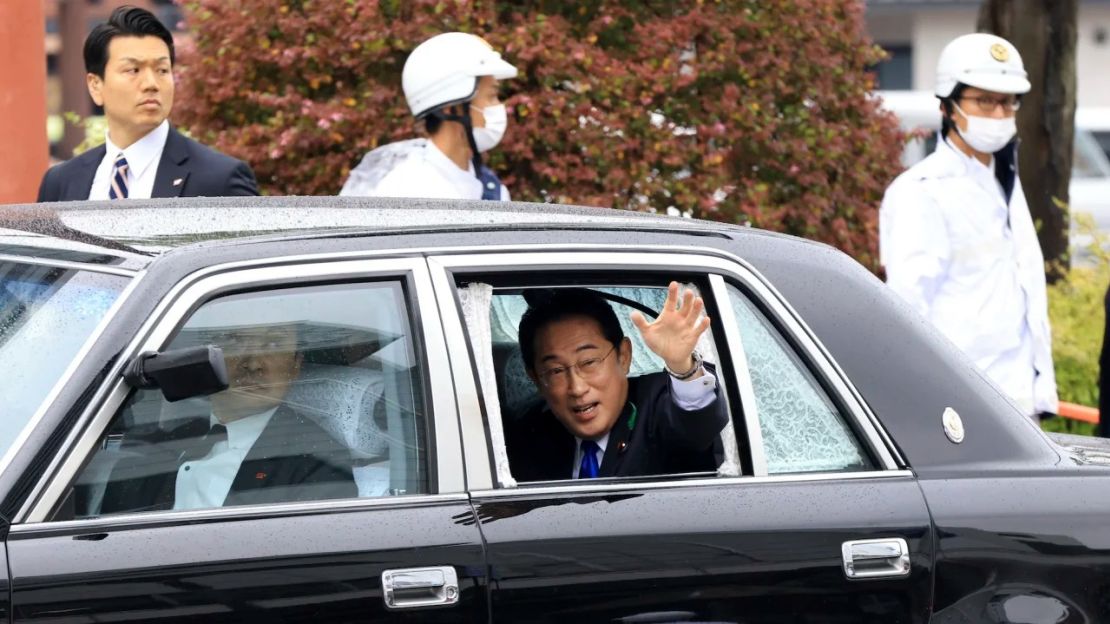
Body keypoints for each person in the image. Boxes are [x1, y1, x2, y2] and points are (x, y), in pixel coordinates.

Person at [880, 33, 1057, 419]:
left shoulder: (1004, 182)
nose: (998, 115)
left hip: (1019, 402)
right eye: (984, 101)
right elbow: (909, 310)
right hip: (962, 409)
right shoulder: (920, 192)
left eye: (1007, 103)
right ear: (948, 105)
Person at [99, 322, 356, 514]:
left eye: (273, 345)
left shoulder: (317, 463)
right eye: (235, 340)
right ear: (204, 357)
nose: (254, 363)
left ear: (296, 364)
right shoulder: (155, 443)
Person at [505, 284, 728, 482]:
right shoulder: (529, 436)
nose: (577, 388)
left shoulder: (658, 404)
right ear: (535, 378)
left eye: (589, 362)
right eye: (555, 371)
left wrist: (682, 366)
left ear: (624, 356)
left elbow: (696, 426)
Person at [37, 6, 258, 202]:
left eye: (162, 70)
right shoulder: (60, 183)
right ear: (96, 85)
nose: (151, 84)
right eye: (133, 70)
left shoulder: (220, 179)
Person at [339, 32, 516, 200]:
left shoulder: (491, 190)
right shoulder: (407, 193)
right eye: (491, 96)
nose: (499, 107)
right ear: (450, 107)